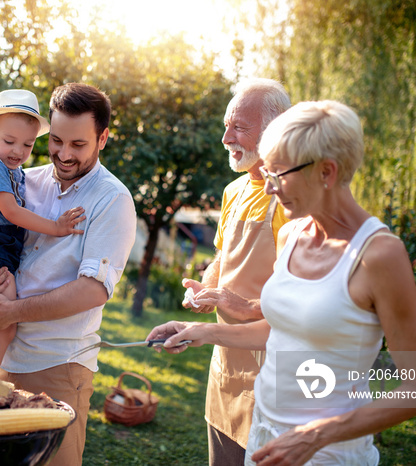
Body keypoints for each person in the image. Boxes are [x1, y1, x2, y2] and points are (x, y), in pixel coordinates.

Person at [149, 100, 416, 465]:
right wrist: (201, 330)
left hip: (325, 452)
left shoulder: (379, 255)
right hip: (264, 436)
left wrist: (317, 435)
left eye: (277, 175)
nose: (268, 188)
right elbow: (279, 331)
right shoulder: (292, 235)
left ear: (327, 172)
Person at [0, 82, 136, 465]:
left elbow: (93, 291)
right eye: (56, 141)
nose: (63, 153)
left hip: (56, 365)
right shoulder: (24, 177)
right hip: (0, 355)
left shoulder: (112, 199)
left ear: (102, 138)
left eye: (78, 144)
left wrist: (11, 313)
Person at [180, 78, 291, 466]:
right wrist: (205, 287)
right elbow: (223, 259)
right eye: (226, 125)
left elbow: (301, 296)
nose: (226, 137)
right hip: (224, 366)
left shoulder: (292, 198)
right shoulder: (233, 192)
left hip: (272, 370)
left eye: (239, 126)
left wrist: (243, 304)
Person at [0, 89, 86, 376]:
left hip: (4, 245)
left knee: (0, 324)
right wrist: (55, 227)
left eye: (28, 145)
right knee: (2, 327)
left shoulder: (14, 170)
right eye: (9, 141)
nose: (18, 151)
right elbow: (11, 212)